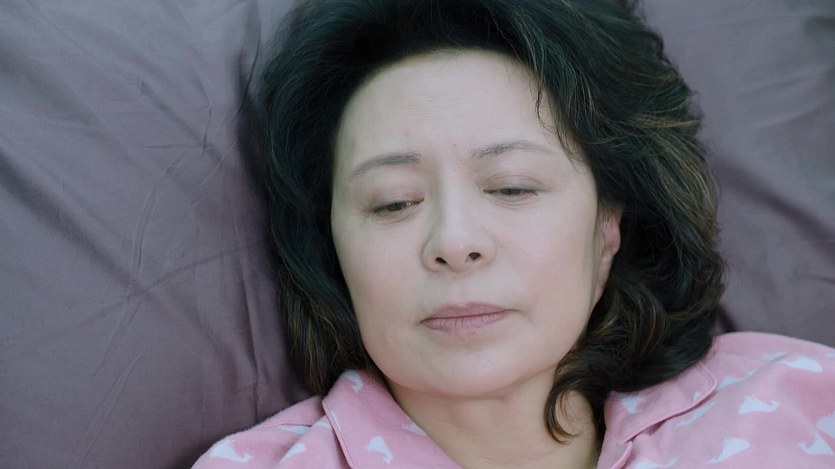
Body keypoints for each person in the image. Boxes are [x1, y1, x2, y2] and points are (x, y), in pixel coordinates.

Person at [194, 0, 835, 467]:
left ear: (607, 226)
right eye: (394, 203)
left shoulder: (801, 394)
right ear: (332, 247)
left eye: (511, 188)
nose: (454, 242)